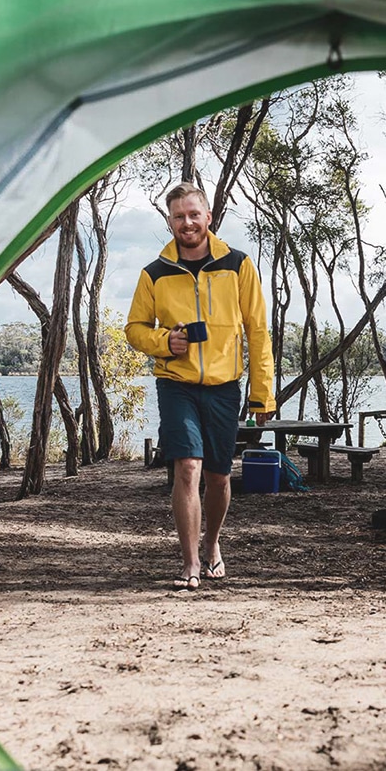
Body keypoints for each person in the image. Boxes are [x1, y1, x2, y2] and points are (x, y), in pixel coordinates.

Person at [126, 182, 276, 591]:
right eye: (178, 216)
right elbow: (135, 329)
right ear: (170, 221)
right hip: (176, 384)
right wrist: (164, 342)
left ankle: (212, 544)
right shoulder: (154, 274)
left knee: (218, 477)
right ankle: (190, 562)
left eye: (194, 214)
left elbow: (258, 331)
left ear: (208, 217)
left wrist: (263, 392)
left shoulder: (238, 266)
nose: (187, 222)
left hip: (224, 387)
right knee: (187, 467)